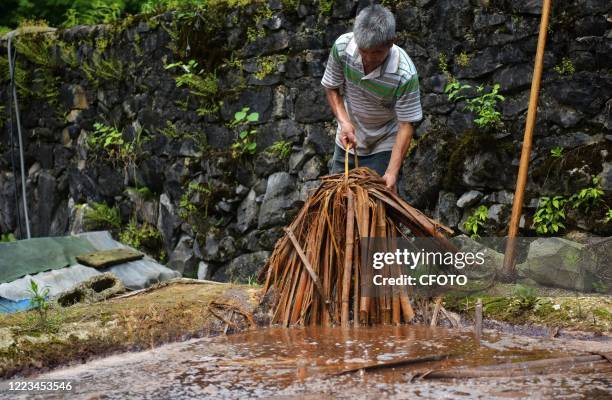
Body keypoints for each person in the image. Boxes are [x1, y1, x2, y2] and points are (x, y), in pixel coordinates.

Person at [321, 4, 423, 193]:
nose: (368, 58)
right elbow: (331, 87)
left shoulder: (405, 74)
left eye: (376, 52)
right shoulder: (343, 47)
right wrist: (344, 122)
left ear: (391, 42)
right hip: (348, 138)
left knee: (374, 206)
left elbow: (406, 125)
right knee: (335, 200)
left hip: (384, 142)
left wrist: (392, 172)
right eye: (363, 51)